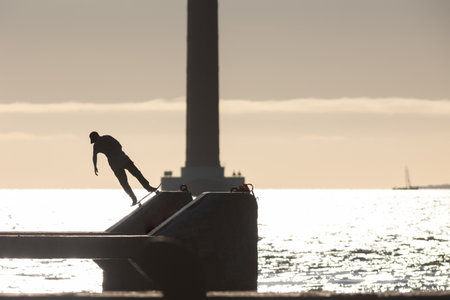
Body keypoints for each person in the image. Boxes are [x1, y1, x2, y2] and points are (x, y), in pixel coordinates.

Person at [89, 131, 157, 206]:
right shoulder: (99, 143)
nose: (95, 142)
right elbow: (95, 156)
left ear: (97, 137)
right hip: (118, 163)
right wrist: (95, 166)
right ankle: (134, 197)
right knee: (125, 182)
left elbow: (119, 145)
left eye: (95, 140)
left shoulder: (106, 138)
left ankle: (147, 188)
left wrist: (114, 153)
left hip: (121, 161)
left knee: (136, 175)